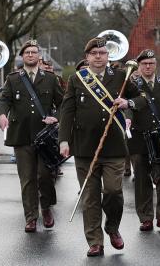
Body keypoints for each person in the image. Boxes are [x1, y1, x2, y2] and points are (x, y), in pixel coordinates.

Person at [58, 37, 139, 257]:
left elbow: (142, 97)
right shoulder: (77, 79)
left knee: (113, 191)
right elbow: (67, 111)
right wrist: (64, 140)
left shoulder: (122, 77)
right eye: (94, 53)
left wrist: (128, 103)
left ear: (108, 56)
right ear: (87, 57)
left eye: (102, 53)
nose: (98, 56)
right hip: (85, 148)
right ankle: (95, 241)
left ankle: (112, 227)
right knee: (90, 197)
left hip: (114, 147)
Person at [0, 40, 64, 233]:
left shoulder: (51, 79)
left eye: (34, 52)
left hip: (45, 137)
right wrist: (2, 114)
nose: (31, 55)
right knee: (27, 179)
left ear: (39, 56)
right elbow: (4, 101)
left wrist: (56, 118)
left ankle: (46, 207)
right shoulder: (13, 79)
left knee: (45, 176)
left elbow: (63, 105)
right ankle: (31, 217)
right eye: (27, 52)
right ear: (22, 56)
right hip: (22, 135)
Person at [126, 49, 160, 231]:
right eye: (144, 64)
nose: (148, 67)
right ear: (139, 66)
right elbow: (126, 105)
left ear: (156, 65)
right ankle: (145, 217)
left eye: (151, 63)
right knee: (142, 179)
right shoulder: (132, 85)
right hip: (139, 137)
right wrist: (127, 117)